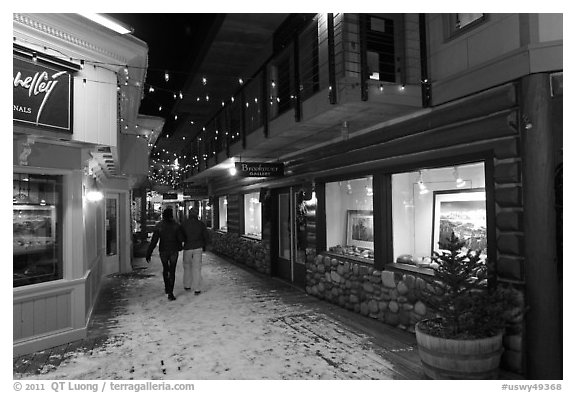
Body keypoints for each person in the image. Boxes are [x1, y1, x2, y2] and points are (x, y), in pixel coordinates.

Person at [146, 207, 185, 301]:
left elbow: (154, 240)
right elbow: (181, 238)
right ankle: (171, 292)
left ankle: (167, 287)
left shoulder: (159, 225)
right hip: (173, 250)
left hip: (163, 250)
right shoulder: (176, 225)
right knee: (172, 270)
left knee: (165, 268)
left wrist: (149, 252)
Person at [180, 206, 210, 295]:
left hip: (187, 247)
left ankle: (187, 284)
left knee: (187, 266)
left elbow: (180, 235)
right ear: (197, 215)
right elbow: (206, 236)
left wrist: (182, 242)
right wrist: (205, 245)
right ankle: (197, 288)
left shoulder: (184, 224)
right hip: (198, 247)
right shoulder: (201, 224)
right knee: (197, 268)